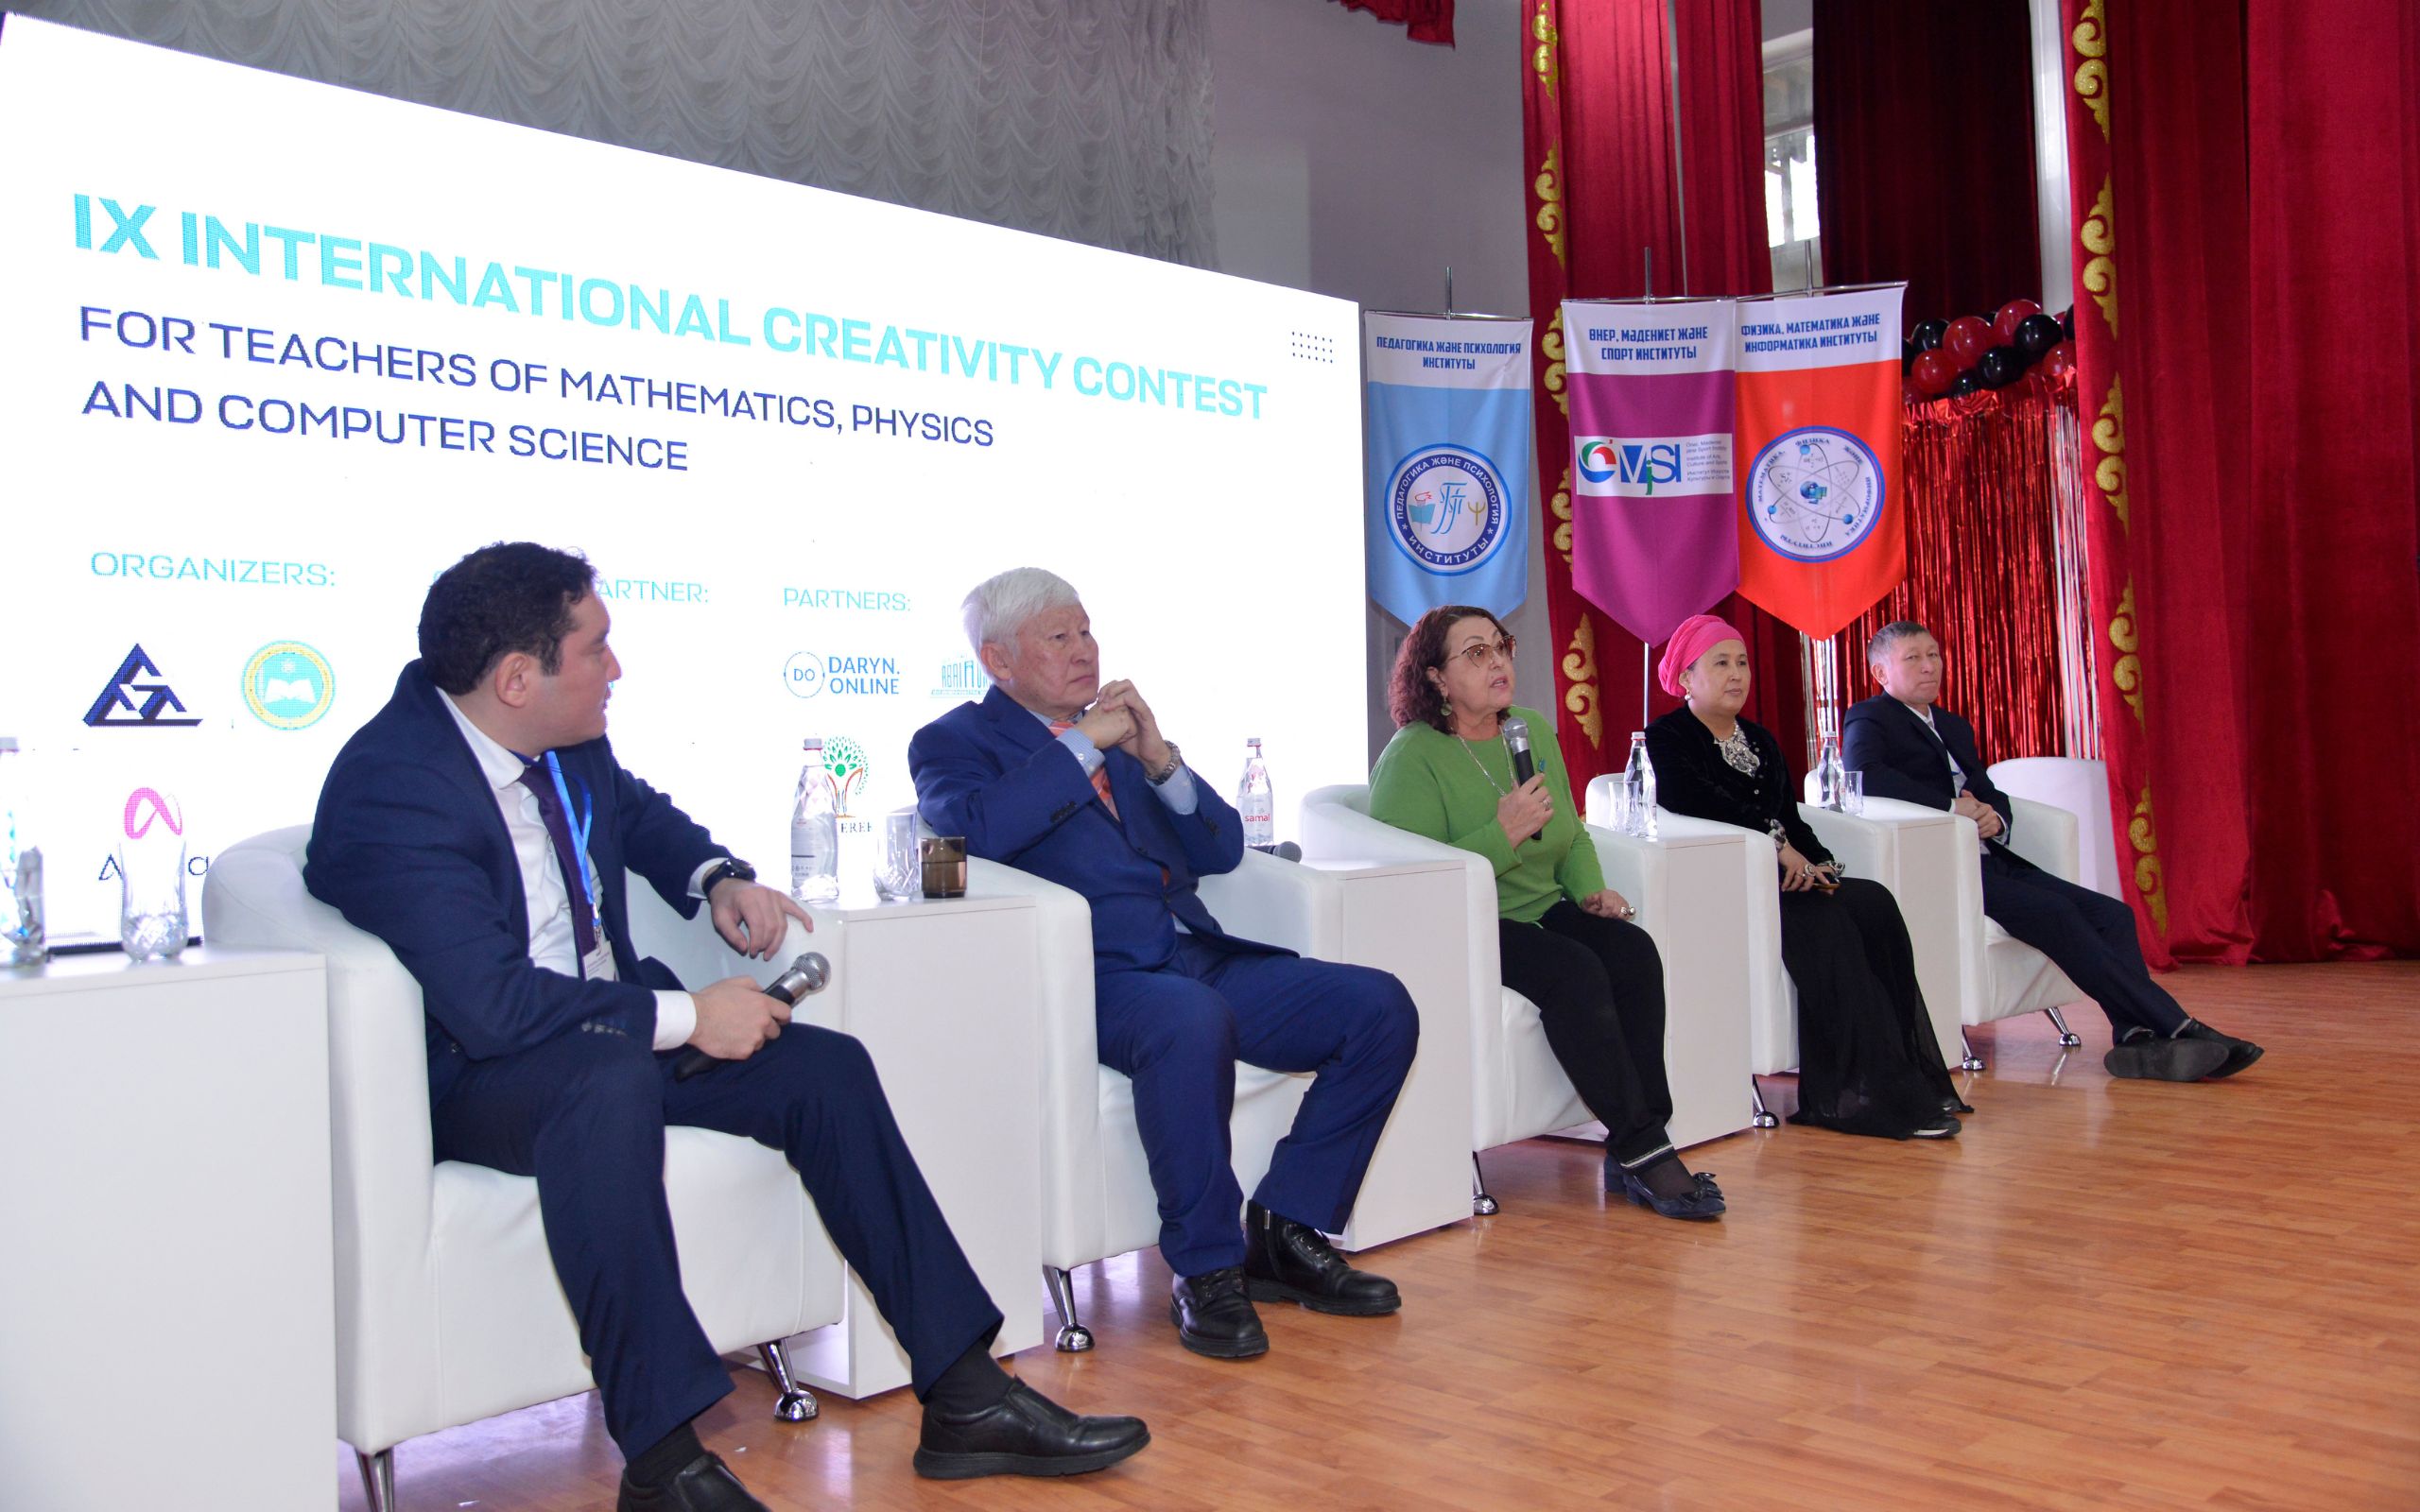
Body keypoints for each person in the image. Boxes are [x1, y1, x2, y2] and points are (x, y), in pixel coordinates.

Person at [306, 544, 1147, 1512]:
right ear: (516, 679)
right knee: (607, 1082)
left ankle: (965, 1396)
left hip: (609, 1034)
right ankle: (664, 1464)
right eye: (596, 648)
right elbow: (493, 1007)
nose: (616, 668)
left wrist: (718, 878)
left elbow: (639, 818)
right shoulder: (394, 786)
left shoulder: (563, 742)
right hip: (486, 1073)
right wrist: (691, 1018)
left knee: (824, 1069)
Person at [908, 568, 1419, 1362]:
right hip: (1093, 977)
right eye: (1059, 637)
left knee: (1378, 1006)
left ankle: (1285, 1229)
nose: (1085, 650)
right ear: (998, 661)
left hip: (1194, 955)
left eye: (1087, 630)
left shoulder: (1119, 737)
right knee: (1189, 1020)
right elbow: (976, 829)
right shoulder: (955, 743)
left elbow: (1221, 847)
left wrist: (1159, 760)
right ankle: (1207, 1269)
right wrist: (1081, 746)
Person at [1368, 605, 1724, 1220]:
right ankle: (1645, 1150)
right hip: (1470, 925)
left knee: (1632, 951)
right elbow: (1418, 881)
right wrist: (1501, 833)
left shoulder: (1528, 728)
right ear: (1435, 677)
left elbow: (1572, 832)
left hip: (1542, 908)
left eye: (1500, 646)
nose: (1498, 661)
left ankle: (1641, 1140)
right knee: (1574, 970)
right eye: (1475, 653)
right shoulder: (1412, 756)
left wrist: (1590, 890)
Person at [1843, 621, 2262, 1080]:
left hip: (1992, 860)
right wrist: (1951, 806)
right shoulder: (1870, 718)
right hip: (1945, 868)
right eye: (1913, 658)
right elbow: (1865, 776)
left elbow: (1988, 788)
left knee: (2114, 915)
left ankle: (2134, 1036)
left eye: (1934, 655)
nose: (1929, 666)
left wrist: (1996, 818)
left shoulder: (1952, 726)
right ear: (1881, 672)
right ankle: (2179, 1025)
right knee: (2057, 912)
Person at [1645, 613, 1965, 1141]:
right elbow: (1698, 804)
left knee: (1872, 903)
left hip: (1783, 877)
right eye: (1721, 663)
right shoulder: (1667, 738)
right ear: (1685, 678)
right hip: (1723, 882)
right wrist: (1778, 851)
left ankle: (1912, 1078)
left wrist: (1820, 864)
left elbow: (1791, 817)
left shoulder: (1760, 738)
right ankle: (1866, 1099)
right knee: (1825, 923)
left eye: (1742, 662)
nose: (1737, 674)